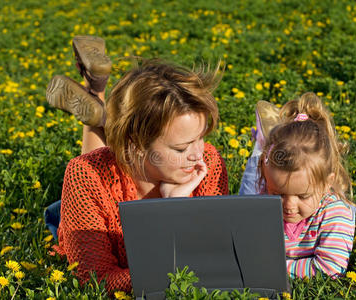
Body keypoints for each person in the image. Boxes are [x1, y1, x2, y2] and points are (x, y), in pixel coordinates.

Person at [45, 36, 229, 293]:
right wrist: (174, 275)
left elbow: (213, 256)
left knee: (102, 166)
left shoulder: (209, 162)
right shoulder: (84, 176)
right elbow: (96, 279)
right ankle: (98, 100)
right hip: (102, 175)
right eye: (181, 148)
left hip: (128, 149)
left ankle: (99, 100)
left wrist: (177, 207)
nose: (198, 155)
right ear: (137, 145)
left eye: (201, 138)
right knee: (94, 170)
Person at [240, 92, 356, 278]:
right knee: (248, 190)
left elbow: (330, 268)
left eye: (302, 196)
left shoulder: (335, 213)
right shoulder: (263, 199)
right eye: (278, 194)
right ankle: (261, 148)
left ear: (327, 184)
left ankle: (263, 142)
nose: (289, 206)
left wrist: (277, 268)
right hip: (263, 175)